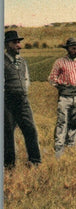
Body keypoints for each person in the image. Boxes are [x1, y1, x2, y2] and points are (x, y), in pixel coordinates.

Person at [4, 30, 41, 168]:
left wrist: (24, 92)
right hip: (7, 101)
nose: (19, 45)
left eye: (19, 42)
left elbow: (26, 79)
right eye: (15, 42)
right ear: (7, 44)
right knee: (7, 132)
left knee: (30, 129)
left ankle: (35, 161)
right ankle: (9, 165)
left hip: (22, 100)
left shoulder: (22, 61)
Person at [48, 38, 76, 158]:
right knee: (62, 122)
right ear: (68, 49)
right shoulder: (60, 62)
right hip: (65, 96)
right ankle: (59, 148)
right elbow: (52, 78)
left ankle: (71, 145)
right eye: (73, 48)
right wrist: (61, 87)